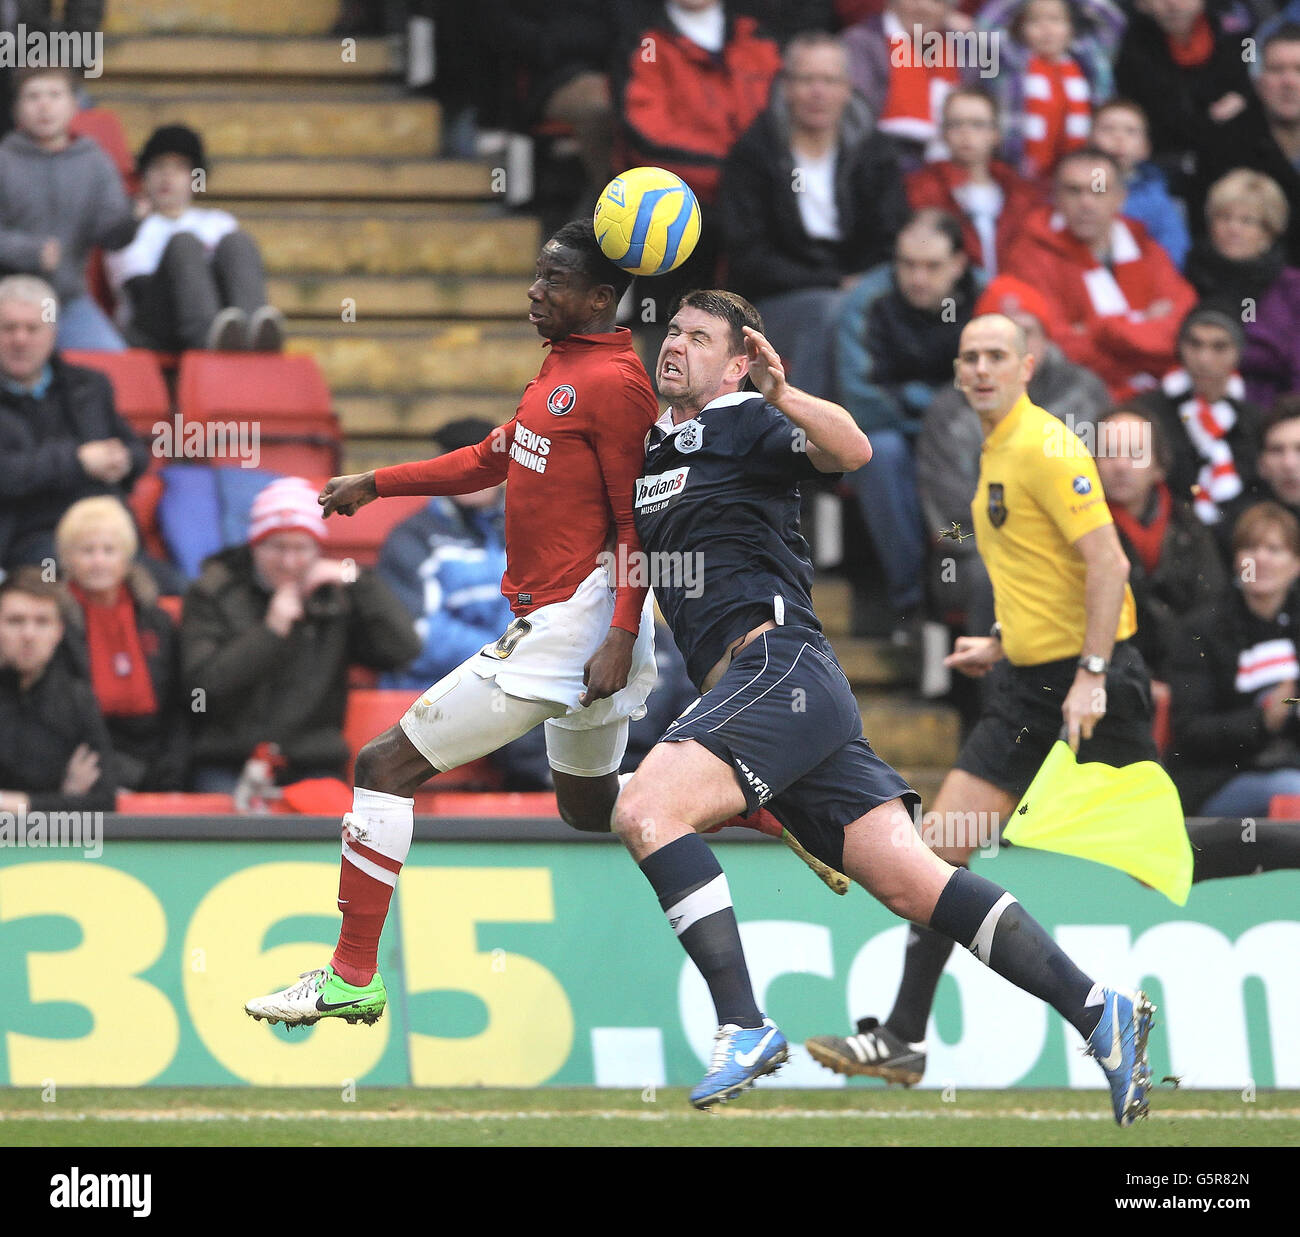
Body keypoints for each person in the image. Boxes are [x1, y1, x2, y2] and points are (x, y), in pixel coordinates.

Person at [614, 292, 1154, 1123]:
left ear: (736, 363)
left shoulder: (748, 422)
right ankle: (1098, 1011)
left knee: (648, 807)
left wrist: (782, 391)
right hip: (773, 698)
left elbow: (854, 448)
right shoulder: (655, 451)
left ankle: (744, 1021)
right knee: (919, 884)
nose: (674, 345)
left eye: (698, 337)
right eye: (673, 331)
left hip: (777, 667)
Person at [243, 221, 664, 1028]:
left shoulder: (618, 385)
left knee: (382, 764)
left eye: (553, 281)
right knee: (586, 806)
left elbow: (633, 522)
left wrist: (618, 630)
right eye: (536, 277)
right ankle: (750, 799)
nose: (534, 292)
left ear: (601, 298)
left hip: (576, 622)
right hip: (574, 622)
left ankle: (351, 974)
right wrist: (379, 481)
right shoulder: (561, 367)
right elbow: (490, 457)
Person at [805, 311, 1155, 1115]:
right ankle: (907, 1033)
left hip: (1088, 682)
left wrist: (1092, 672)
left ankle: (1099, 1012)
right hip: (1029, 683)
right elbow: (1049, 571)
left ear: (1030, 364)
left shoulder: (1045, 445)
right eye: (969, 357)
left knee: (1178, 851)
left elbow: (1109, 563)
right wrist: (1001, 640)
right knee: (937, 856)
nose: (981, 368)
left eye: (997, 355)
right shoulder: (995, 448)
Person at [182, 476, 422, 792]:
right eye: (277, 547)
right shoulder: (212, 592)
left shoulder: (335, 594)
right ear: (255, 544)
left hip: (312, 764)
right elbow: (201, 688)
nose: (289, 561)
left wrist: (358, 580)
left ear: (317, 549)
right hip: (227, 762)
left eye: (301, 548)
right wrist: (270, 632)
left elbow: (402, 649)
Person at [918, 274, 1109, 641]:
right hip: (978, 558)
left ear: (1045, 339)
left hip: (1076, 541)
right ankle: (999, 694)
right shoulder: (947, 412)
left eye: (1027, 332)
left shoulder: (1085, 394)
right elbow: (945, 525)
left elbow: (1106, 488)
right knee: (989, 577)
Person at [719, 30, 906, 399]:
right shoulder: (755, 153)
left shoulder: (874, 152)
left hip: (862, 290)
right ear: (786, 86)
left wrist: (859, 283)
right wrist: (835, 281)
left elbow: (892, 235)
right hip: (774, 301)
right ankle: (802, 437)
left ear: (848, 87)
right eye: (806, 80)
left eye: (829, 81)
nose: (818, 92)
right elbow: (748, 255)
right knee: (829, 314)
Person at [376, 415, 552, 790]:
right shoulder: (411, 539)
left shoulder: (527, 528)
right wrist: (508, 658)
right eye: (464, 466)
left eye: (485, 465)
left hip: (521, 674)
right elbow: (420, 637)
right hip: (447, 686)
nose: (476, 477)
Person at [836, 208, 982, 638]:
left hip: (965, 434)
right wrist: (939, 406)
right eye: (907, 265)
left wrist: (937, 412)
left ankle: (962, 586)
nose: (918, 278)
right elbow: (862, 399)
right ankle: (911, 599)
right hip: (898, 432)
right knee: (879, 453)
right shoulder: (866, 300)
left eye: (933, 266)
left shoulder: (985, 296)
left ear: (958, 264)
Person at [1003, 146, 1197, 400]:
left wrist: (1100, 329)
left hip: (1159, 396)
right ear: (1056, 197)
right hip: (1075, 400)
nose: (1086, 203)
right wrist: (1140, 327)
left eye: (1098, 190)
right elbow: (1057, 350)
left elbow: (1182, 333)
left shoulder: (1147, 250)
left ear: (1120, 197)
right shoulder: (1029, 256)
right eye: (1074, 191)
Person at [0, 275, 149, 571]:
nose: (20, 339)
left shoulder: (90, 385)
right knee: (59, 582)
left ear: (53, 333)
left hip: (106, 533)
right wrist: (78, 461)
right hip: (31, 540)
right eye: (8, 328)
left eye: (32, 328)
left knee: (174, 590)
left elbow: (137, 451)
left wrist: (124, 459)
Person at [1168, 502, 1300, 817]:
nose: (1261, 559)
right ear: (1236, 559)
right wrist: (1265, 719)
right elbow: (1189, 731)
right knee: (1293, 791)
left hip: (1289, 763)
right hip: (1216, 778)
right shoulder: (1201, 629)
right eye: (1250, 548)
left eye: (1274, 549)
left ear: (1296, 564)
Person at [0, 66, 142, 351]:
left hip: (66, 303)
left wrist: (134, 218)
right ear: (16, 110)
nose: (44, 105)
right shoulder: (4, 160)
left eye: (54, 95)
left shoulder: (95, 161)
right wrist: (30, 252)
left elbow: (113, 235)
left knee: (115, 368)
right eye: (33, 96)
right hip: (7, 302)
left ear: (74, 105)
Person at [106, 125, 283, 353]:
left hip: (222, 320)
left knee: (237, 241)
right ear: (145, 175)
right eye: (158, 167)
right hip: (152, 329)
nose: (167, 176)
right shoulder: (128, 229)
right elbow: (137, 293)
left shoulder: (219, 222)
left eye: (180, 168)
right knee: (184, 244)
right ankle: (209, 336)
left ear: (196, 177)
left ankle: (253, 330)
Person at [55, 496, 190, 792]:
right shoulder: (54, 623)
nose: (98, 561)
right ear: (67, 560)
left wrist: (172, 771)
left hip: (159, 760)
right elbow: (56, 714)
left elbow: (184, 704)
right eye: (87, 551)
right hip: (88, 760)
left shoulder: (158, 620)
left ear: (127, 558)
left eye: (109, 550)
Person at [1094, 409, 1227, 680]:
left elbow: (1211, 605)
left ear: (1159, 467)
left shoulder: (1189, 526)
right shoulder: (1079, 531)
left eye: (1135, 454)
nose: (1120, 465)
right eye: (1108, 452)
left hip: (1183, 676)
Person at [0, 567, 116, 815]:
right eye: (15, 621)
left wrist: (19, 803)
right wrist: (64, 799)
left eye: (42, 622)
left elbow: (105, 801)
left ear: (58, 632)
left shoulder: (77, 699)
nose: (28, 634)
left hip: (52, 848)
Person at [1133, 305, 1262, 522]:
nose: (1204, 359)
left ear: (1238, 353)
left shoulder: (1256, 420)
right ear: (1180, 347)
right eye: (1194, 344)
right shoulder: (1146, 414)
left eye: (1219, 347)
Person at [1185, 169, 1300, 410]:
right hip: (1191, 407)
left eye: (1247, 221)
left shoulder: (1291, 288)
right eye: (1224, 218)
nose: (1233, 229)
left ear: (1268, 232)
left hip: (1271, 412)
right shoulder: (1188, 277)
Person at [1113, 0, 1253, 198]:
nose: (1173, 4)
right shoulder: (1131, 40)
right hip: (1160, 161)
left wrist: (1244, 94)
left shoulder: (1238, 34)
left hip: (1231, 157)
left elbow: (1254, 64)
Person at [977, 0, 1125, 183]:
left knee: (1097, 195)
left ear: (1071, 28)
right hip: (1019, 175)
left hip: (1084, 176)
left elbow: (1113, 21)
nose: (1046, 28)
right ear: (1021, 29)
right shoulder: (1008, 64)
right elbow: (985, 27)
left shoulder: (1090, 62)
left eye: (1056, 20)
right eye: (1035, 21)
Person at [905, 87, 1042, 279]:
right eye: (956, 124)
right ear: (943, 132)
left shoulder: (1020, 193)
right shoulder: (920, 188)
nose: (966, 133)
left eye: (977, 124)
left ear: (996, 134)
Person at [1194, 23, 1300, 266]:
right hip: (1247, 287)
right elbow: (1205, 236)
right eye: (1276, 70)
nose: (1289, 82)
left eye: (1299, 70)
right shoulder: (1221, 145)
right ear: (1258, 80)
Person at [842, 0, 961, 171]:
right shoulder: (860, 42)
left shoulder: (961, 48)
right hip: (877, 162)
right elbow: (857, 114)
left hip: (949, 166)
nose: (923, 6)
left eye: (936, 1)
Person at [1090, 98, 1192, 270]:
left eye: (1130, 131)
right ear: (1090, 141)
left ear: (1145, 148)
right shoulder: (1081, 186)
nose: (1118, 138)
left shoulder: (1156, 197)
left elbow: (1174, 251)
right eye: (1108, 129)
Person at [1214, 395, 1300, 563]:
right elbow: (1242, 581)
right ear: (1261, 464)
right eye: (1277, 450)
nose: (1288, 463)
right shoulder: (1238, 524)